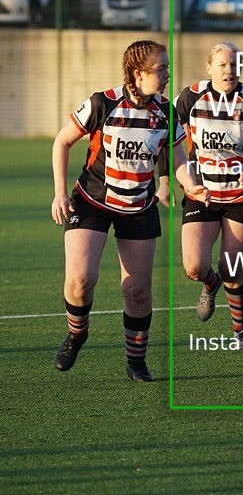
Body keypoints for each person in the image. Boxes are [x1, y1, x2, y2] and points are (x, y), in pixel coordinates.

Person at [51, 40, 207, 381]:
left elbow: (178, 159)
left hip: (138, 205)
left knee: (136, 289)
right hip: (92, 200)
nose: (167, 76)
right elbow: (61, 142)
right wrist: (60, 194)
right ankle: (77, 334)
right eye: (161, 69)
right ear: (138, 74)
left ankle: (136, 361)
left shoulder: (166, 112)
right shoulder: (102, 103)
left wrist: (189, 184)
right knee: (81, 279)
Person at [174, 42, 243, 349]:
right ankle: (209, 284)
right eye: (222, 65)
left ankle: (240, 330)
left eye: (234, 65)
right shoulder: (190, 97)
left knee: (229, 265)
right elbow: (167, 138)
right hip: (201, 193)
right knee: (194, 267)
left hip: (241, 196)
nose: (229, 71)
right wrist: (168, 178)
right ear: (209, 68)